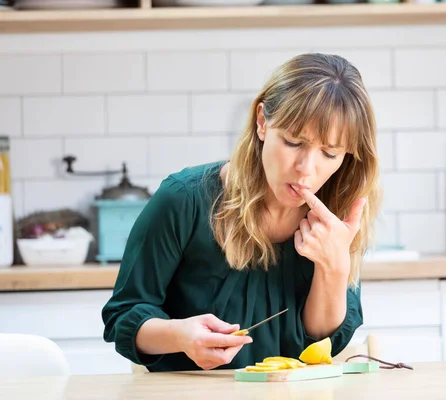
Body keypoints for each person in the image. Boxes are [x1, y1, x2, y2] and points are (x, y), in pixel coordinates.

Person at [101, 53, 381, 372]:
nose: (306, 169)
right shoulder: (183, 199)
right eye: (293, 142)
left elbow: (321, 343)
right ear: (262, 122)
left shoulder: (338, 217)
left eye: (329, 153)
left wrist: (334, 267)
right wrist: (179, 336)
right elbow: (123, 318)